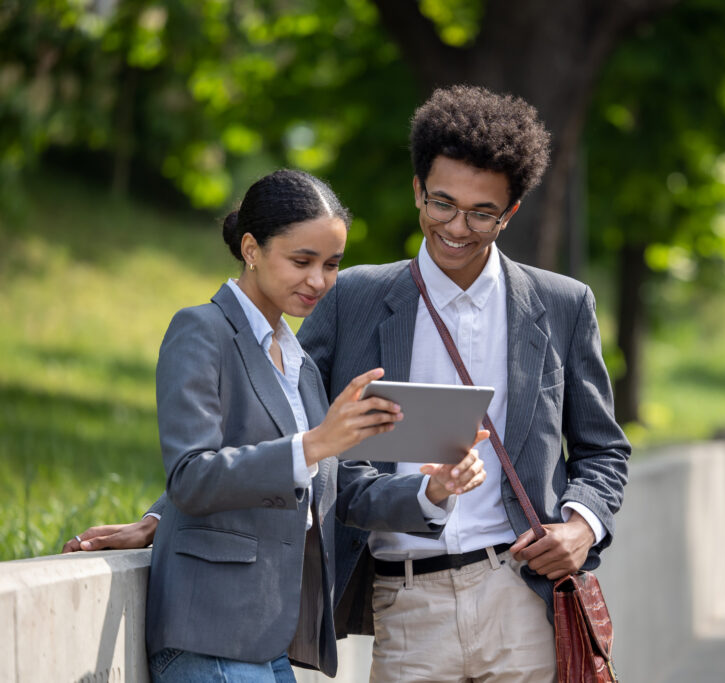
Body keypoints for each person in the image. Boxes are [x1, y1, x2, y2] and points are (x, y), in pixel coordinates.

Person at [68, 86, 630, 681]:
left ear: (510, 212)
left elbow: (603, 450)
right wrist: (163, 516)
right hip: (406, 603)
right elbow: (279, 411)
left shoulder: (563, 305)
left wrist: (581, 525)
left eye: (481, 212)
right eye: (442, 204)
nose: (457, 227)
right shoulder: (352, 296)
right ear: (417, 190)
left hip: (521, 595)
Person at [86, 168, 487, 683]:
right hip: (211, 629)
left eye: (332, 264)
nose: (318, 281)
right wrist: (317, 442)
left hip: (273, 636)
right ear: (251, 248)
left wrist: (431, 491)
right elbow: (190, 474)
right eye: (302, 261)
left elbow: (335, 490)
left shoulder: (298, 364)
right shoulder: (202, 331)